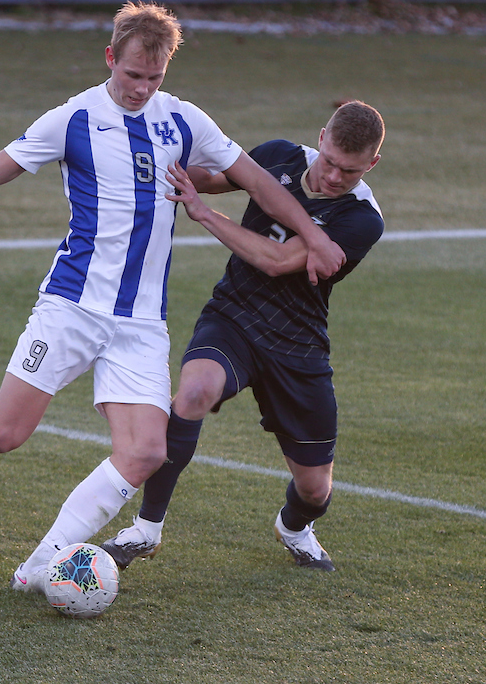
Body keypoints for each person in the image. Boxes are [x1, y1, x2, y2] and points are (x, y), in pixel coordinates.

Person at [0, 2, 346, 592]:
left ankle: (39, 568)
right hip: (71, 307)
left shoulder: (183, 121)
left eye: (154, 78)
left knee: (146, 452)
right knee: (3, 435)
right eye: (132, 75)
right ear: (111, 58)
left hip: (139, 325)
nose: (141, 88)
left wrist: (313, 235)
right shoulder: (74, 118)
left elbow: (258, 180)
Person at [100, 100, 385, 572]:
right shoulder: (278, 156)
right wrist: (151, 164)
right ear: (320, 138)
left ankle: (294, 527)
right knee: (193, 392)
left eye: (350, 171)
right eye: (330, 162)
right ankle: (145, 530)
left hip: (298, 345)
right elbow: (211, 178)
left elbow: (275, 261)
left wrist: (205, 215)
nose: (335, 177)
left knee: (315, 491)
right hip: (234, 315)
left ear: (372, 164)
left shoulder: (361, 219)